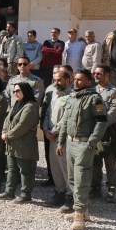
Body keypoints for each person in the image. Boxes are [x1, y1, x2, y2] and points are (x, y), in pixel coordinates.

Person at [57, 70, 108, 230]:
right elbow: (65, 121)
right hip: (70, 143)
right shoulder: (72, 97)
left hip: (84, 144)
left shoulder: (94, 99)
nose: (76, 82)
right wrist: (61, 141)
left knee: (81, 180)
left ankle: (79, 215)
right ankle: (82, 210)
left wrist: (91, 143)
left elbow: (101, 122)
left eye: (80, 80)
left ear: (88, 82)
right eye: (75, 79)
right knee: (72, 179)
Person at [0, 82, 40, 203]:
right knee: (12, 168)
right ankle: (9, 191)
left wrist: (8, 135)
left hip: (24, 145)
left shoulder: (30, 107)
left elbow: (23, 125)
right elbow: (7, 120)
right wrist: (4, 132)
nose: (15, 93)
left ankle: (25, 194)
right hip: (12, 144)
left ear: (25, 91)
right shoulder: (16, 104)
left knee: (25, 170)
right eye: (14, 91)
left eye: (18, 91)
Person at [91, 64, 116, 203]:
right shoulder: (92, 90)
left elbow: (113, 112)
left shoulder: (114, 92)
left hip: (108, 131)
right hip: (94, 131)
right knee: (94, 161)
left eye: (99, 74)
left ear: (107, 75)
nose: (96, 76)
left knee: (111, 162)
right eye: (95, 74)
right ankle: (95, 187)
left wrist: (100, 124)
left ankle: (112, 189)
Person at [41, 66, 73, 208]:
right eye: (54, 80)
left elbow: (67, 118)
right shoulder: (54, 94)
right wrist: (46, 129)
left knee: (65, 168)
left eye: (59, 80)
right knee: (55, 167)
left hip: (63, 138)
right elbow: (48, 113)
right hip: (52, 137)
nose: (56, 83)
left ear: (68, 80)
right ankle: (59, 193)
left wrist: (54, 131)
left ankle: (70, 196)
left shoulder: (72, 96)